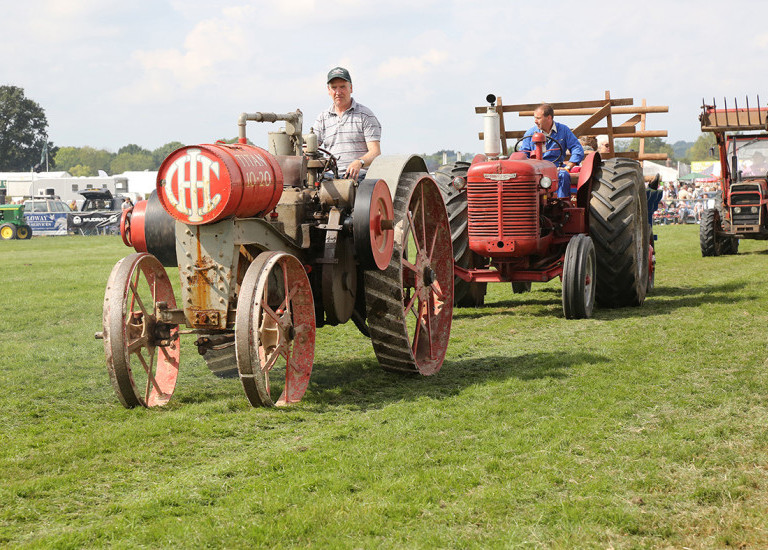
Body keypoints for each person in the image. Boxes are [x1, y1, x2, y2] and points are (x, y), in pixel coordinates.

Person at [312, 67, 381, 181]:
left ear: (351, 88)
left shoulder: (365, 115)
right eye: (334, 88)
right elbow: (310, 148)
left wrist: (360, 162)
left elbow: (375, 152)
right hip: (330, 177)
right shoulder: (322, 118)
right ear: (329, 91)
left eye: (342, 87)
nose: (338, 92)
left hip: (359, 176)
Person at [520, 103, 584, 197]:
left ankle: (562, 203)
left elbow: (577, 148)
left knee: (563, 175)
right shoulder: (530, 133)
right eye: (534, 118)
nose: (535, 121)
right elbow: (523, 153)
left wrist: (568, 167)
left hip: (556, 167)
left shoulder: (563, 130)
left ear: (549, 118)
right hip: (536, 169)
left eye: (538, 118)